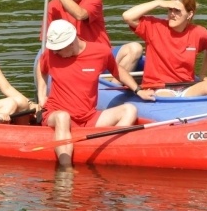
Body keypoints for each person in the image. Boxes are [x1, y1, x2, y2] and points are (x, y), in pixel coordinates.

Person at [35, 19, 155, 167]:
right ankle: (65, 172)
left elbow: (117, 71)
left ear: (72, 41)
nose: (55, 52)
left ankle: (106, 149)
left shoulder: (100, 52)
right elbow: (41, 68)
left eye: (58, 49)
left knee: (130, 110)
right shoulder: (50, 55)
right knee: (63, 116)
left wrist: (138, 90)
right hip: (56, 113)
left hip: (88, 117)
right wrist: (42, 96)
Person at [122, 0, 207, 97]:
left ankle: (205, 110)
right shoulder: (154, 26)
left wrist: (203, 74)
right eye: (170, 9)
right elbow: (127, 16)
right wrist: (158, 2)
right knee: (166, 96)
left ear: (189, 14)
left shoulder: (199, 32)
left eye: (177, 11)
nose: (172, 14)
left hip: (186, 88)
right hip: (159, 88)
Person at [43, 0, 142, 75]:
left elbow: (80, 15)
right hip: (76, 60)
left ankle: (114, 86)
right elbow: (49, 43)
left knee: (135, 48)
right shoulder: (52, 6)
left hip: (102, 55)